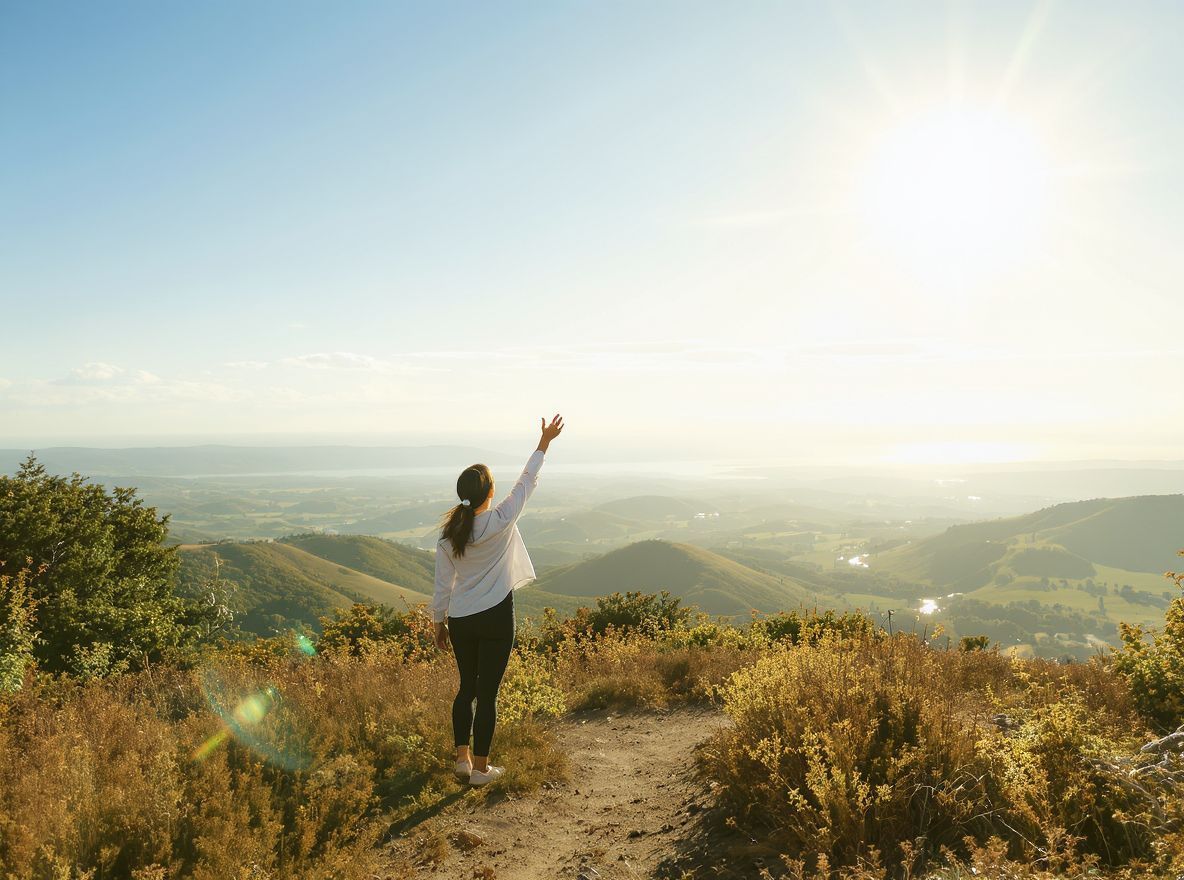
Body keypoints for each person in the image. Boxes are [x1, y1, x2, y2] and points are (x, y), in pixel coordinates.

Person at [432, 414, 564, 786]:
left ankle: (462, 759)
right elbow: (527, 480)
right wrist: (544, 442)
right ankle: (481, 770)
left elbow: (442, 586)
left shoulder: (449, 536)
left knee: (466, 689)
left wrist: (439, 624)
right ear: (489, 494)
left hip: (461, 619)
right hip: (496, 617)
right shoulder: (501, 519)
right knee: (487, 693)